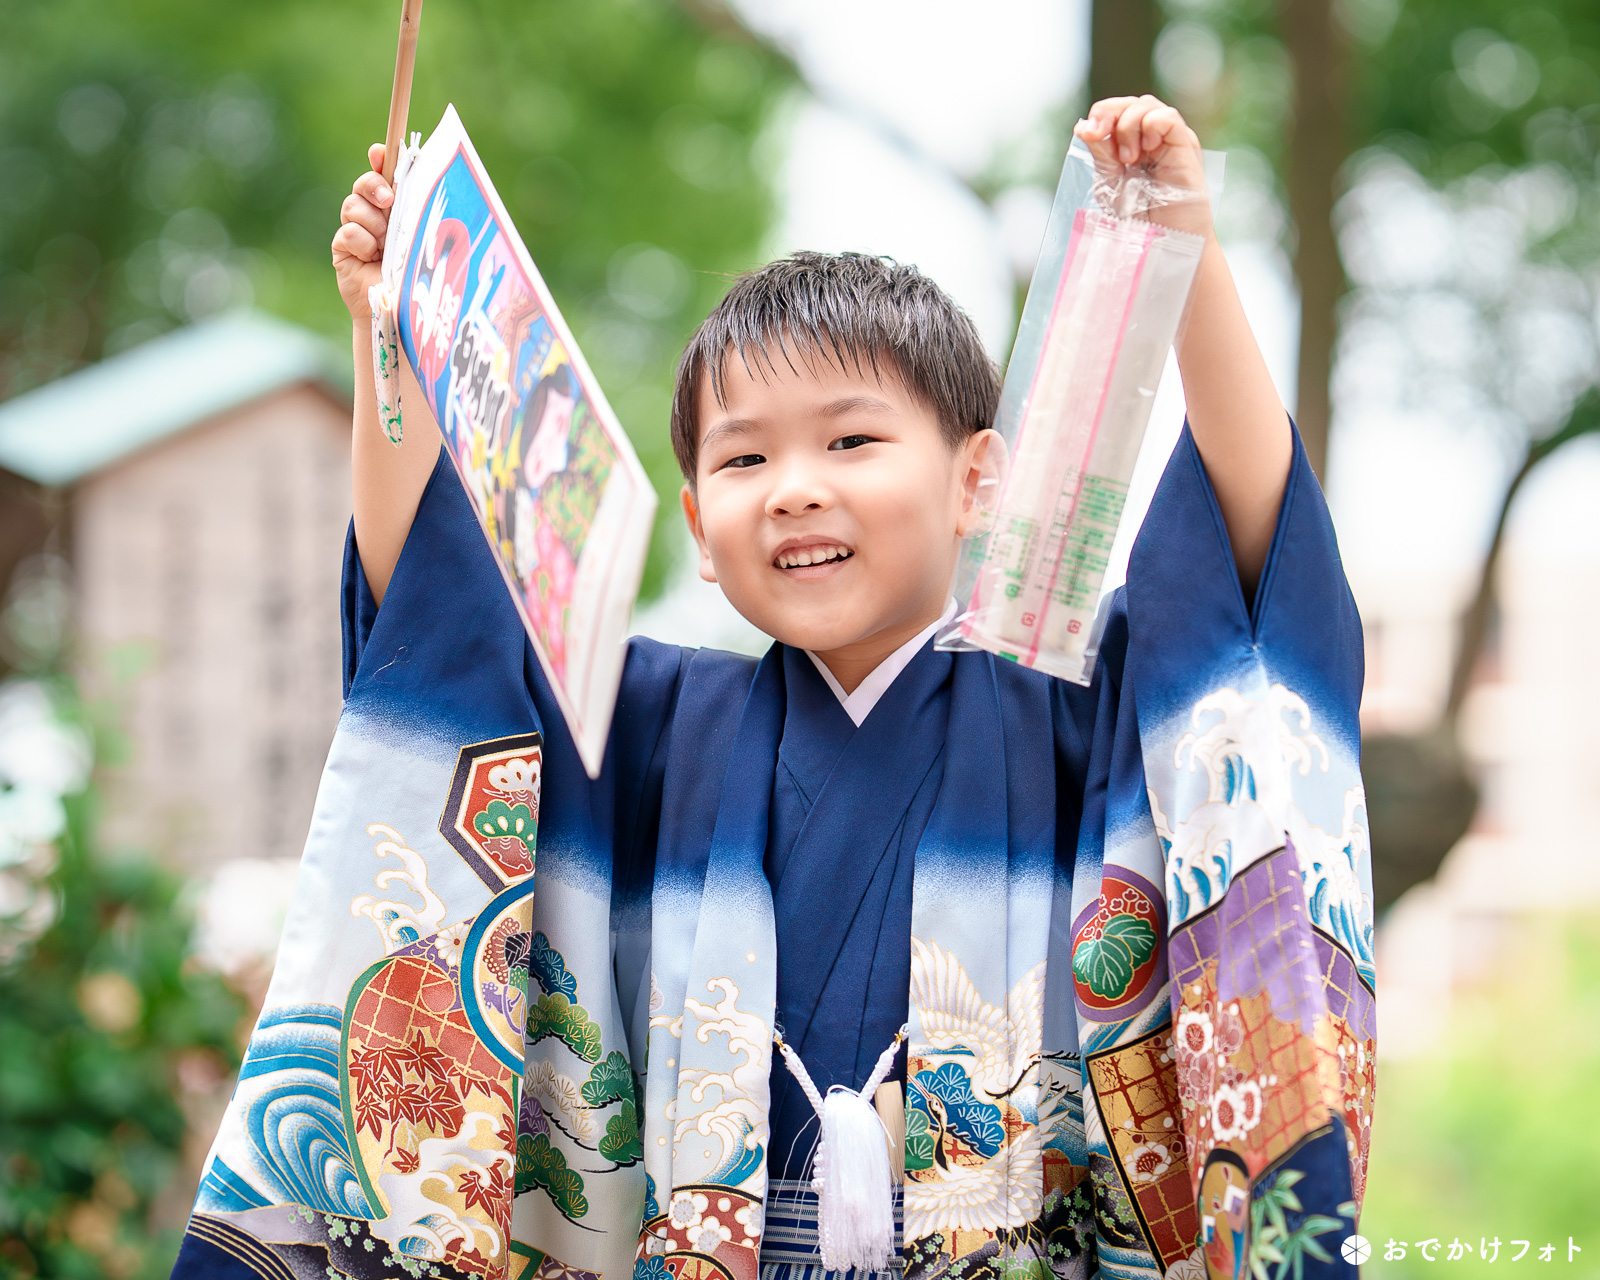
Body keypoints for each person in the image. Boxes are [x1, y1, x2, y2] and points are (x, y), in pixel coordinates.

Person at [172, 96, 1372, 1280]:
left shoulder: (1074, 699)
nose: (794, 488)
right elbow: (436, 635)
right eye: (745, 457)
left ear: (977, 481)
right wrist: (394, 334)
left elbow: (1247, 589)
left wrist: (1185, 245)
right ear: (697, 525)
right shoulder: (642, 720)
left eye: (850, 441)